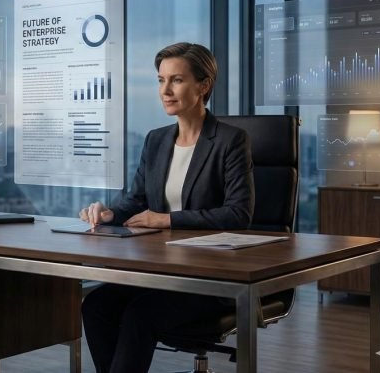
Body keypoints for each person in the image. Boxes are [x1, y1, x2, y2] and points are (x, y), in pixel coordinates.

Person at [78, 42, 254, 373]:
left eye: (176, 80)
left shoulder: (231, 140)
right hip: (161, 272)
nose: (165, 91)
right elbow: (137, 199)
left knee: (140, 314)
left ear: (203, 86)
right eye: (161, 80)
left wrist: (167, 219)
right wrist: (111, 214)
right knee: (96, 306)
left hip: (211, 278)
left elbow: (238, 214)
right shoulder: (156, 139)